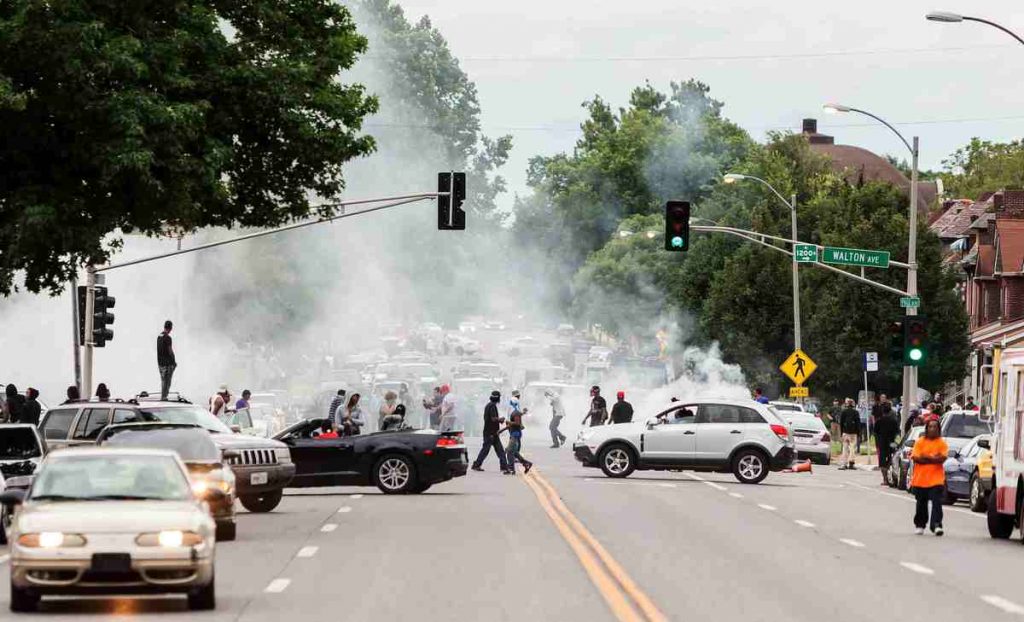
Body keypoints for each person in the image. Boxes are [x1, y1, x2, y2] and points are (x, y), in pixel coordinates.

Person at [911, 417, 949, 536]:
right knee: (921, 503)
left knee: (937, 502)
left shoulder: (942, 443)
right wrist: (934, 458)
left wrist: (926, 457)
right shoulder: (920, 442)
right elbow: (916, 458)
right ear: (926, 429)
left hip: (936, 480)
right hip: (920, 479)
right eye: (930, 427)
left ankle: (936, 525)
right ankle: (920, 525)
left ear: (939, 429)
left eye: (935, 427)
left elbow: (942, 459)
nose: (932, 429)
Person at [471, 391, 509, 473]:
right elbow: (493, 418)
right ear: (497, 398)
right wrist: (500, 419)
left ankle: (504, 467)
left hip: (492, 432)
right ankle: (477, 465)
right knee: (486, 450)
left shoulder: (489, 405)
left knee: (500, 451)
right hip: (490, 433)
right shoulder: (492, 406)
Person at [504, 396, 533, 475]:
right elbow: (514, 424)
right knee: (514, 452)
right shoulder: (515, 412)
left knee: (509, 451)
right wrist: (501, 431)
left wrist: (508, 422)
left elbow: (517, 423)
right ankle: (526, 464)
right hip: (514, 433)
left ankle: (511, 469)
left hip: (515, 434)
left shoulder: (515, 412)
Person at [873, 399, 899, 486]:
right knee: (891, 459)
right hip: (891, 443)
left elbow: (875, 432)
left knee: (882, 462)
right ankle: (892, 476)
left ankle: (885, 479)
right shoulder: (894, 421)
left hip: (882, 443)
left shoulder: (879, 421)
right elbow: (897, 432)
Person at [157, 320, 177, 401]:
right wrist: (174, 362)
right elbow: (170, 351)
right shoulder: (168, 338)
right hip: (168, 363)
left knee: (163, 380)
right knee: (167, 381)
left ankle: (163, 395)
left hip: (160, 363)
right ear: (170, 328)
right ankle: (164, 396)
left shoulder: (159, 336)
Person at [838, 398, 861, 470]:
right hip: (853, 433)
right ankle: (851, 463)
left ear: (847, 405)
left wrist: (842, 432)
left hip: (845, 432)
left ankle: (844, 464)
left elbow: (841, 423)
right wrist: (858, 433)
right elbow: (858, 424)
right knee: (852, 448)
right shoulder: (856, 412)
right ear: (853, 405)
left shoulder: (844, 412)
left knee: (845, 448)